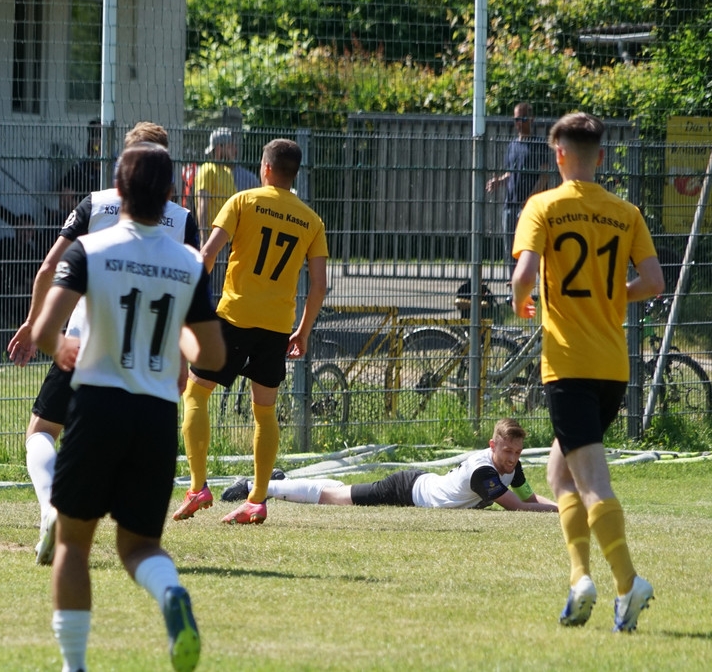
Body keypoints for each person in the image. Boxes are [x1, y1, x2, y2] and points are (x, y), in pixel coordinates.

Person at [30, 142, 225, 672]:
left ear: (119, 190)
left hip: (98, 406)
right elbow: (212, 355)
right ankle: (171, 595)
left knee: (73, 544)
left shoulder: (90, 250)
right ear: (170, 195)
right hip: (156, 415)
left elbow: (46, 330)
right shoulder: (188, 262)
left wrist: (59, 347)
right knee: (140, 546)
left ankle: (75, 666)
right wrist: (176, 336)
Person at [7, 122, 199, 566]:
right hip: (152, 357)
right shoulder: (182, 218)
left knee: (42, 431)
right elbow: (192, 293)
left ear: (123, 161)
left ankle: (51, 509)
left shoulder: (95, 203)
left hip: (86, 343)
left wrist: (35, 324)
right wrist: (182, 360)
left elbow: (49, 267)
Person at [510, 112, 664, 632]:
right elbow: (654, 282)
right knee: (559, 473)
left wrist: (520, 300)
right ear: (601, 156)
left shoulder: (543, 206)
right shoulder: (626, 212)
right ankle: (579, 580)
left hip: (569, 364)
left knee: (592, 480)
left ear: (558, 154)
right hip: (613, 368)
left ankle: (627, 581)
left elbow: (524, 273)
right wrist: (611, 295)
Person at [174, 138, 329, 526]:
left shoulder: (243, 201)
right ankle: (257, 499)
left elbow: (207, 255)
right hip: (276, 327)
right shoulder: (311, 220)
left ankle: (197, 487)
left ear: (266, 168)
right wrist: (303, 331)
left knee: (196, 393)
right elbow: (319, 285)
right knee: (265, 411)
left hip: (234, 318)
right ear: (294, 173)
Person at [222, 418, 557, 512]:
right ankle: (255, 486)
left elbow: (529, 498)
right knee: (334, 498)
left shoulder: (512, 467)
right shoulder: (484, 471)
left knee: (342, 491)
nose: (512, 458)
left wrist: (564, 507)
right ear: (492, 446)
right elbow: (517, 508)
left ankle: (281, 480)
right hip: (407, 490)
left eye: (517, 452)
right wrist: (565, 511)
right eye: (507, 451)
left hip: (420, 484)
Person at [486, 102, 552, 280]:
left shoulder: (539, 145)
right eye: (516, 119)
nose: (519, 123)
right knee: (511, 249)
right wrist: (499, 181)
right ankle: (514, 286)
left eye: (523, 119)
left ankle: (544, 286)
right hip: (510, 205)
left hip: (530, 208)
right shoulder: (512, 145)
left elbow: (544, 176)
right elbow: (511, 173)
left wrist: (529, 200)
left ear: (531, 119)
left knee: (533, 248)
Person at [193, 127, 237, 243]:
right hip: (212, 239)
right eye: (230, 146)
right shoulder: (207, 169)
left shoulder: (228, 172)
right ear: (219, 148)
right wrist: (203, 236)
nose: (234, 150)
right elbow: (202, 203)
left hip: (227, 239)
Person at [58, 119, 102, 213]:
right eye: (93, 149)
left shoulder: (115, 170)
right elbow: (64, 202)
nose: (96, 153)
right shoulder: (79, 170)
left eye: (99, 148)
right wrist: (88, 210)